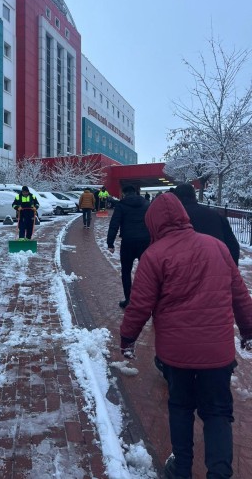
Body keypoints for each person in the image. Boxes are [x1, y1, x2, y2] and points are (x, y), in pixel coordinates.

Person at [119, 192, 252, 479]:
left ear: (153, 223)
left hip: (176, 354)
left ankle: (181, 469)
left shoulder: (154, 255)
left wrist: (127, 339)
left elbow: (139, 305)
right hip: (217, 353)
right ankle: (219, 473)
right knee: (218, 412)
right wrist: (248, 331)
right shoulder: (217, 247)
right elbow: (240, 295)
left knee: (180, 408)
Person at [173, 183, 240, 265]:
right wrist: (231, 267)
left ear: (176, 198)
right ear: (194, 196)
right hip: (216, 263)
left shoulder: (174, 217)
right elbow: (233, 245)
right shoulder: (216, 215)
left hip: (185, 266)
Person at [107, 185, 150, 309]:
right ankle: (147, 298)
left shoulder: (121, 205)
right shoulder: (146, 204)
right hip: (145, 242)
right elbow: (153, 221)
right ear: (136, 192)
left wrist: (110, 243)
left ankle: (129, 299)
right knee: (147, 271)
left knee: (126, 271)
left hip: (128, 242)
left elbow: (114, 224)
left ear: (124, 193)